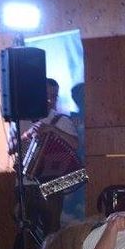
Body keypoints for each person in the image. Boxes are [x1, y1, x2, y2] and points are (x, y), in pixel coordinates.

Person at [14, 77, 81, 237]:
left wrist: (52, 129)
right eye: (47, 95)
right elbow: (11, 148)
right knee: (26, 234)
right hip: (25, 183)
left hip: (52, 183)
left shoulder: (61, 120)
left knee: (51, 233)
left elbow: (75, 144)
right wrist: (27, 135)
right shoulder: (21, 119)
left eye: (54, 96)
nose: (51, 100)